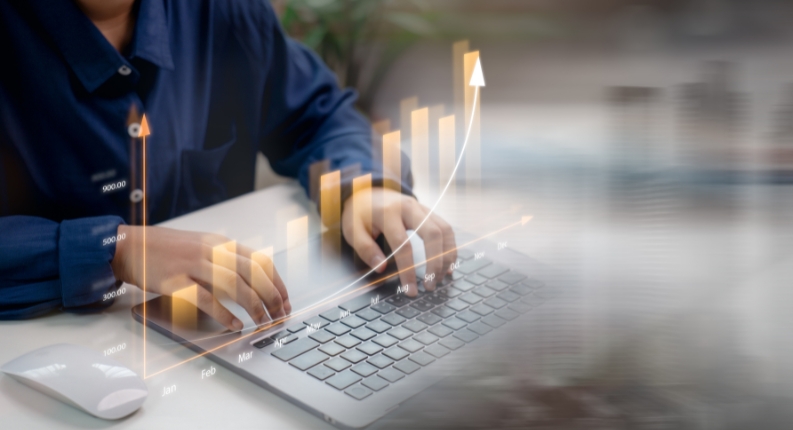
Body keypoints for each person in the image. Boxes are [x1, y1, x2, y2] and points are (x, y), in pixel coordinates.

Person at [0, 0, 456, 330]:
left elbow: (318, 114)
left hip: (228, 336)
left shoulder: (226, 11)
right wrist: (116, 249)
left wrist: (363, 186)